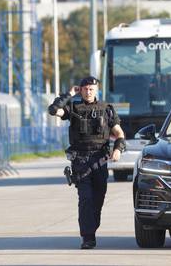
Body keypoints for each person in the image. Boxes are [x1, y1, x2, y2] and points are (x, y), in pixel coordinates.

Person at [48, 76, 126, 249]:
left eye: (91, 89)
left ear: (96, 90)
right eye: (85, 89)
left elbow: (119, 134)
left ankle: (91, 229)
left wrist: (118, 149)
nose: (88, 92)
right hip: (81, 162)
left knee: (97, 200)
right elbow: (53, 110)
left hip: (100, 161)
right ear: (80, 90)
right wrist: (68, 94)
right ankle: (88, 237)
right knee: (85, 199)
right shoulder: (73, 107)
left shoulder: (106, 109)